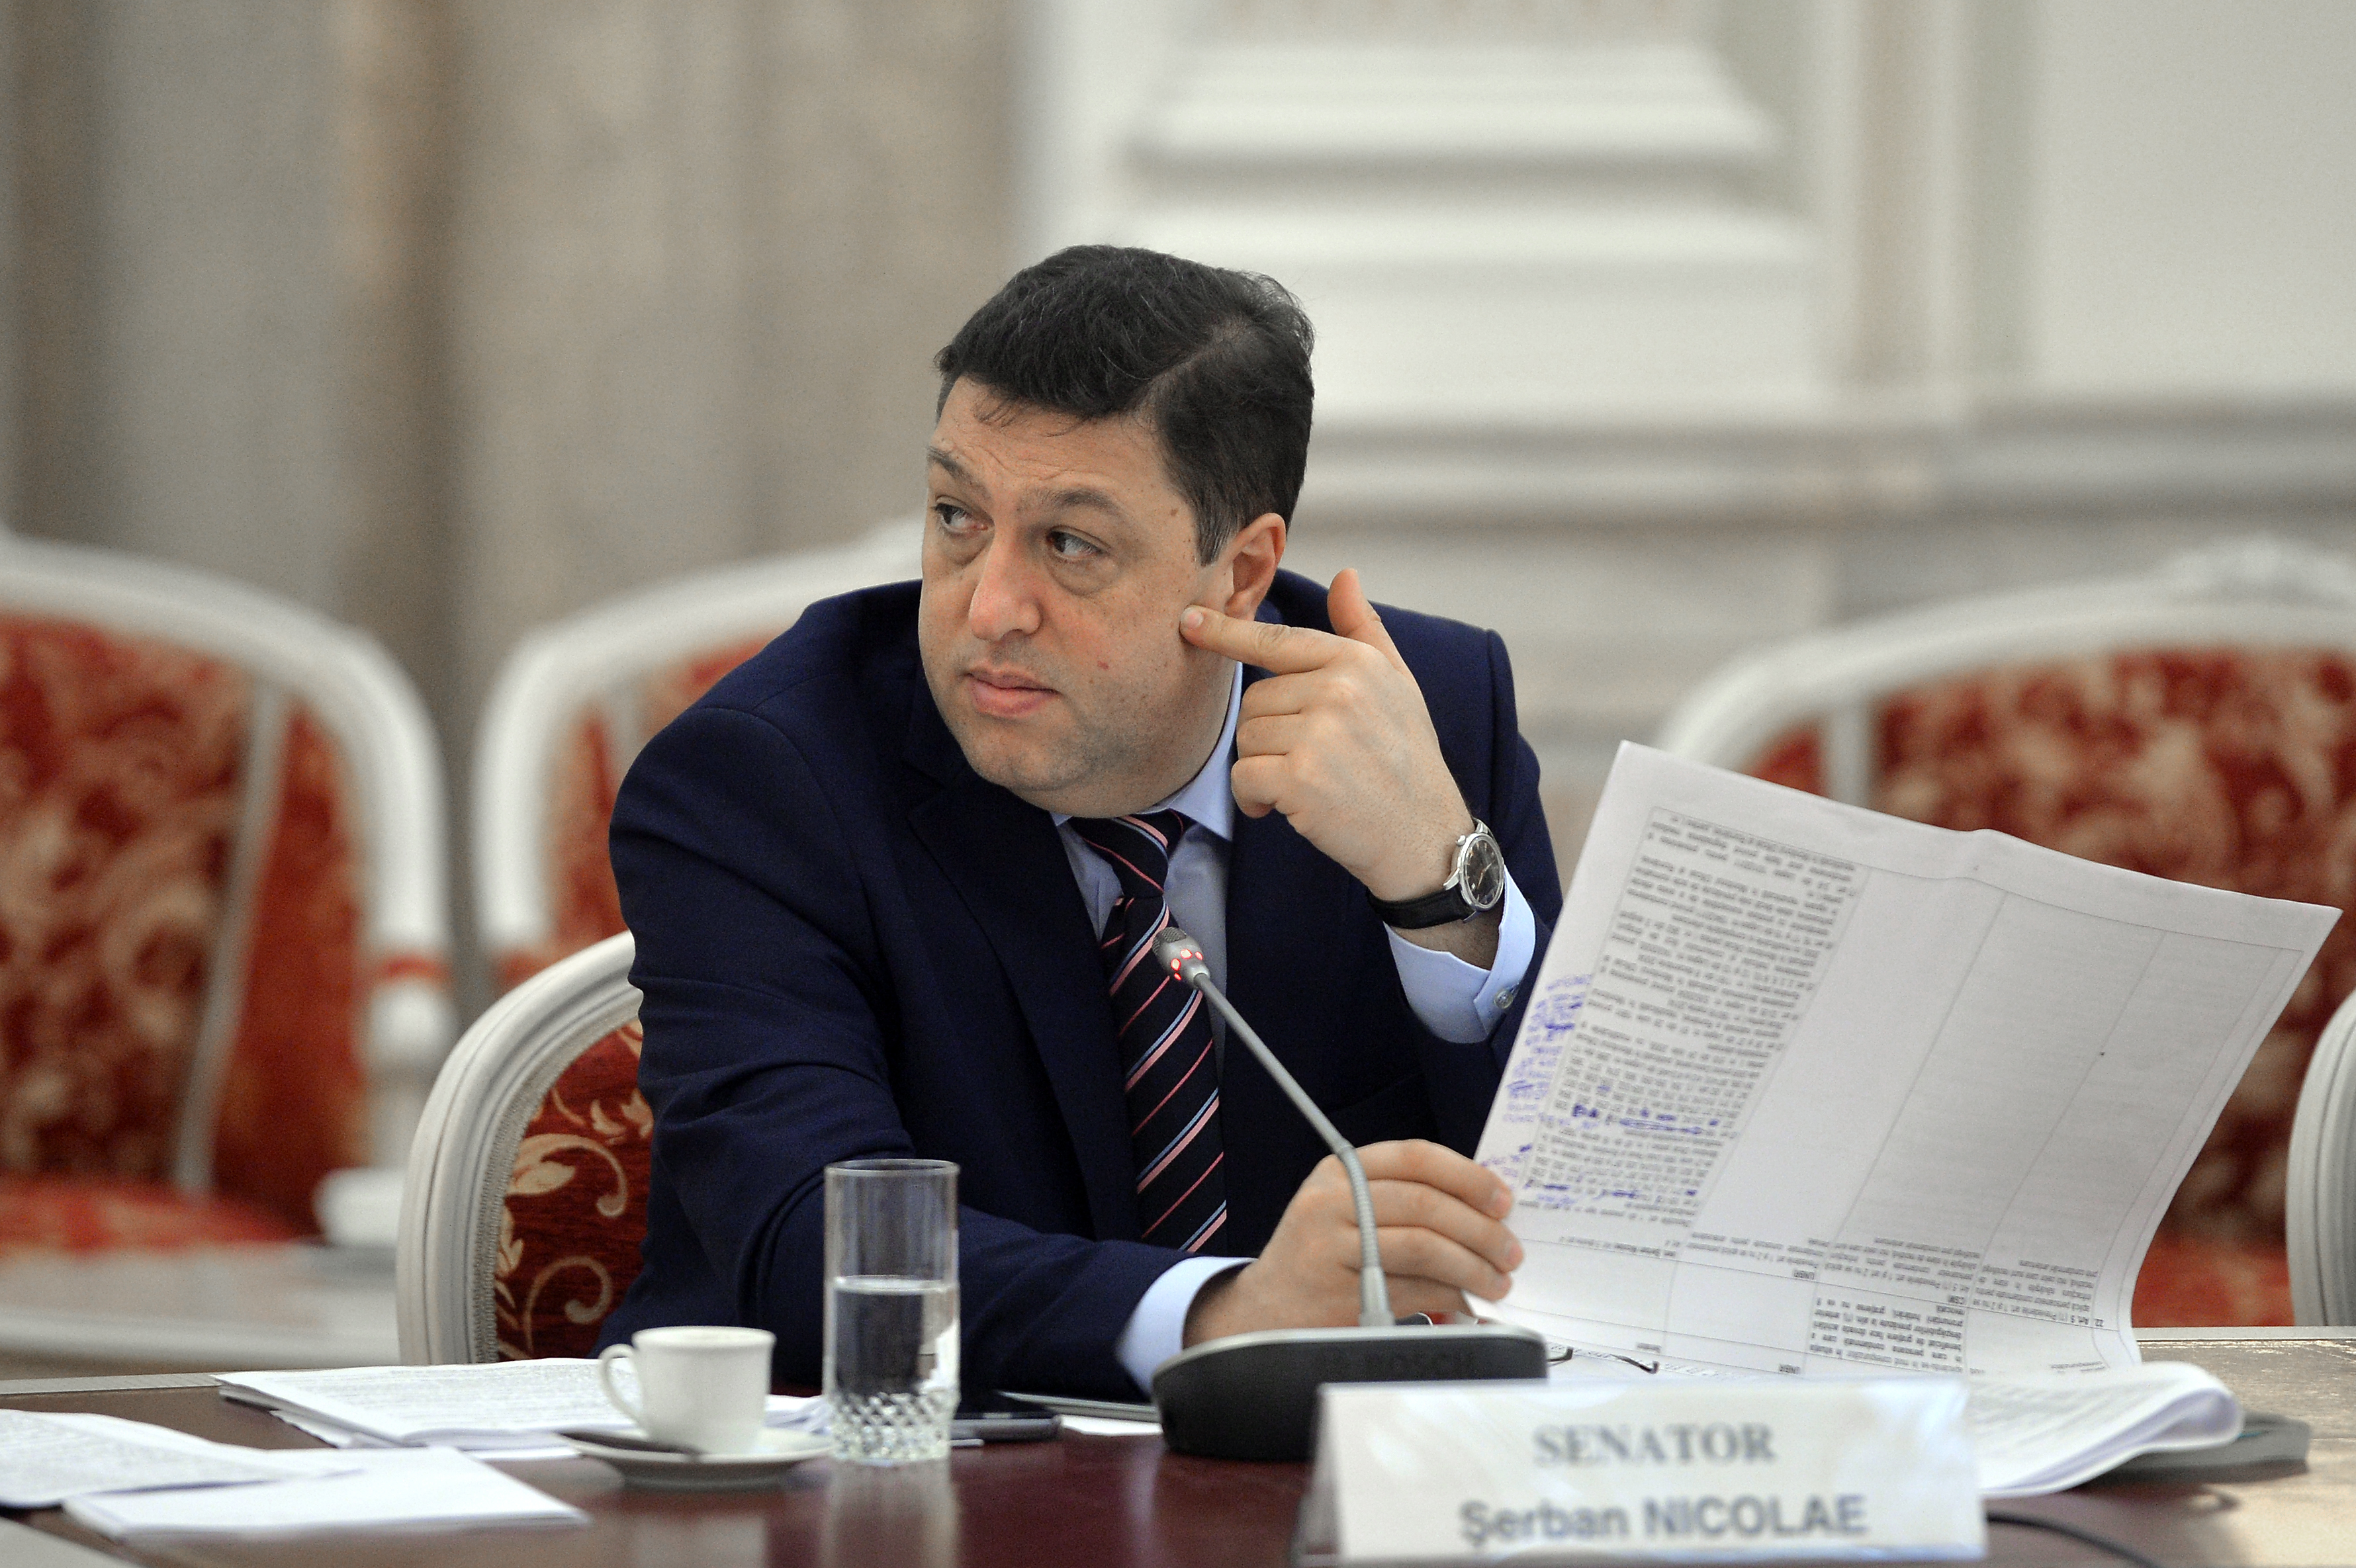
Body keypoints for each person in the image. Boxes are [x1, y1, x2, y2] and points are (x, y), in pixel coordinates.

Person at [598, 245, 1562, 1399]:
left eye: (1069, 543)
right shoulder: (765, 783)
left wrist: (1439, 888)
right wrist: (1223, 1314)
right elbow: (816, 1238)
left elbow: (1600, 1220)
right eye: (957, 516)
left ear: (1242, 572)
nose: (990, 607)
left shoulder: (1423, 720)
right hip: (875, 1476)